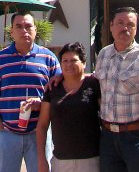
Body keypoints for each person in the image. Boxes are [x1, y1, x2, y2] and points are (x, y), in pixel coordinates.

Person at [0, 11, 61, 172]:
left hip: (39, 133)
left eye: (28, 26)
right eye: (18, 26)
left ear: (35, 30)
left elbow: (59, 94)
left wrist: (41, 104)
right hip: (8, 133)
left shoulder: (49, 59)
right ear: (11, 31)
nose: (24, 30)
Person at [95, 7, 139, 171]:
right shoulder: (103, 55)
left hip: (136, 138)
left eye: (130, 25)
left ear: (136, 29)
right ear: (111, 26)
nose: (125, 28)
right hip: (108, 139)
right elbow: (97, 88)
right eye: (120, 23)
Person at [36, 41, 100, 171]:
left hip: (91, 159)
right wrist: (42, 160)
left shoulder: (94, 85)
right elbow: (42, 126)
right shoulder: (52, 88)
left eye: (74, 60)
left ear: (84, 63)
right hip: (61, 161)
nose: (69, 64)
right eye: (65, 61)